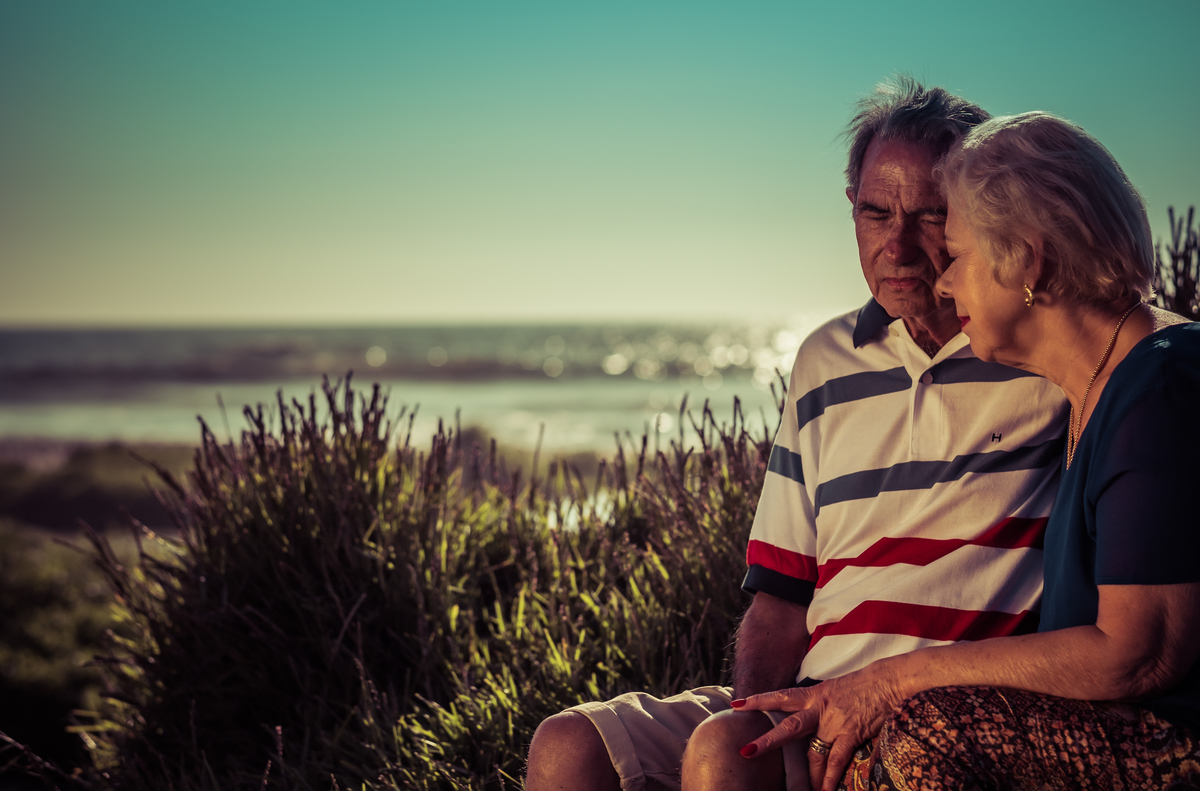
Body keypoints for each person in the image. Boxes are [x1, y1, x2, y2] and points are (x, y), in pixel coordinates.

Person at [525, 78, 1068, 791]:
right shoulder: (822, 358)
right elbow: (780, 598)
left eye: (931, 216)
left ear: (975, 214)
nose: (898, 245)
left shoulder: (1040, 356)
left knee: (722, 755)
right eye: (877, 212)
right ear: (851, 210)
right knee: (567, 745)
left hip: (938, 712)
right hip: (811, 695)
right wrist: (760, 714)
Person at [733, 112, 1200, 791]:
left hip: (1171, 743)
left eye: (957, 254)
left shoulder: (1158, 383)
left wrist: (895, 680)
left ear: (1028, 263)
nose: (943, 283)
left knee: (929, 735)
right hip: (1096, 729)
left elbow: (1140, 652)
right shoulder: (1096, 391)